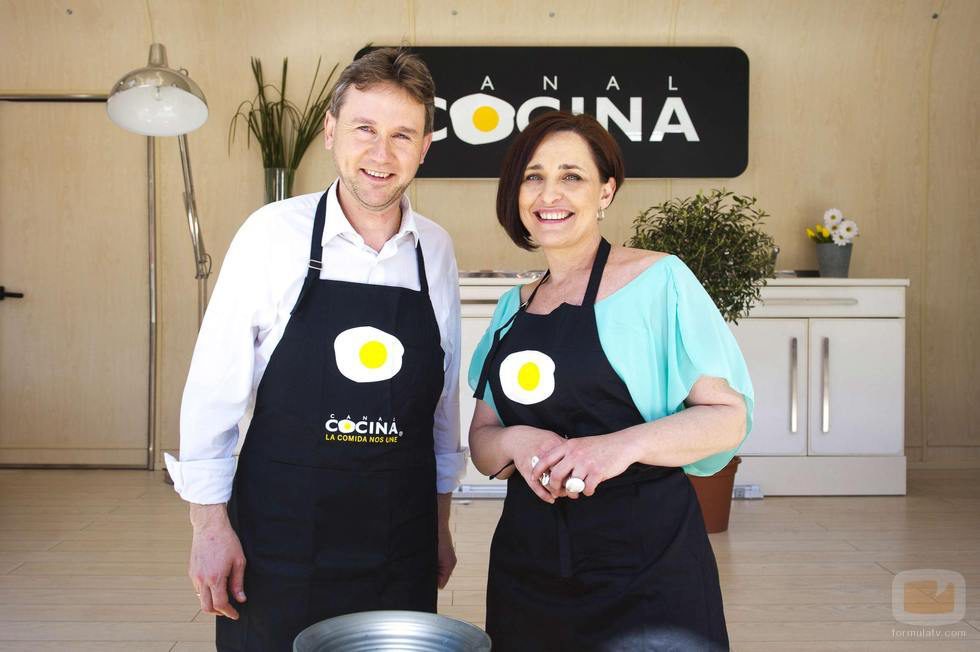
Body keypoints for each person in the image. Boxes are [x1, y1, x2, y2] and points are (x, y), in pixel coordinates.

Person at [164, 47, 465, 650]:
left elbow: (441, 403)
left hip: (397, 538)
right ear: (331, 132)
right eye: (365, 130)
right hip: (281, 539)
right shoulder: (271, 234)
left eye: (403, 135)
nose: (382, 155)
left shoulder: (434, 249)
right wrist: (208, 525)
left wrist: (440, 524)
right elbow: (214, 391)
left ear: (426, 146)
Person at [468, 111, 754, 651]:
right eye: (533, 176)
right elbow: (483, 440)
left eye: (572, 176)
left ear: (606, 190)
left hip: (646, 565)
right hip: (528, 569)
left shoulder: (658, 280)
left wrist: (614, 449)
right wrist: (513, 440)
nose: (550, 193)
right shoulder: (513, 307)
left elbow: (728, 418)